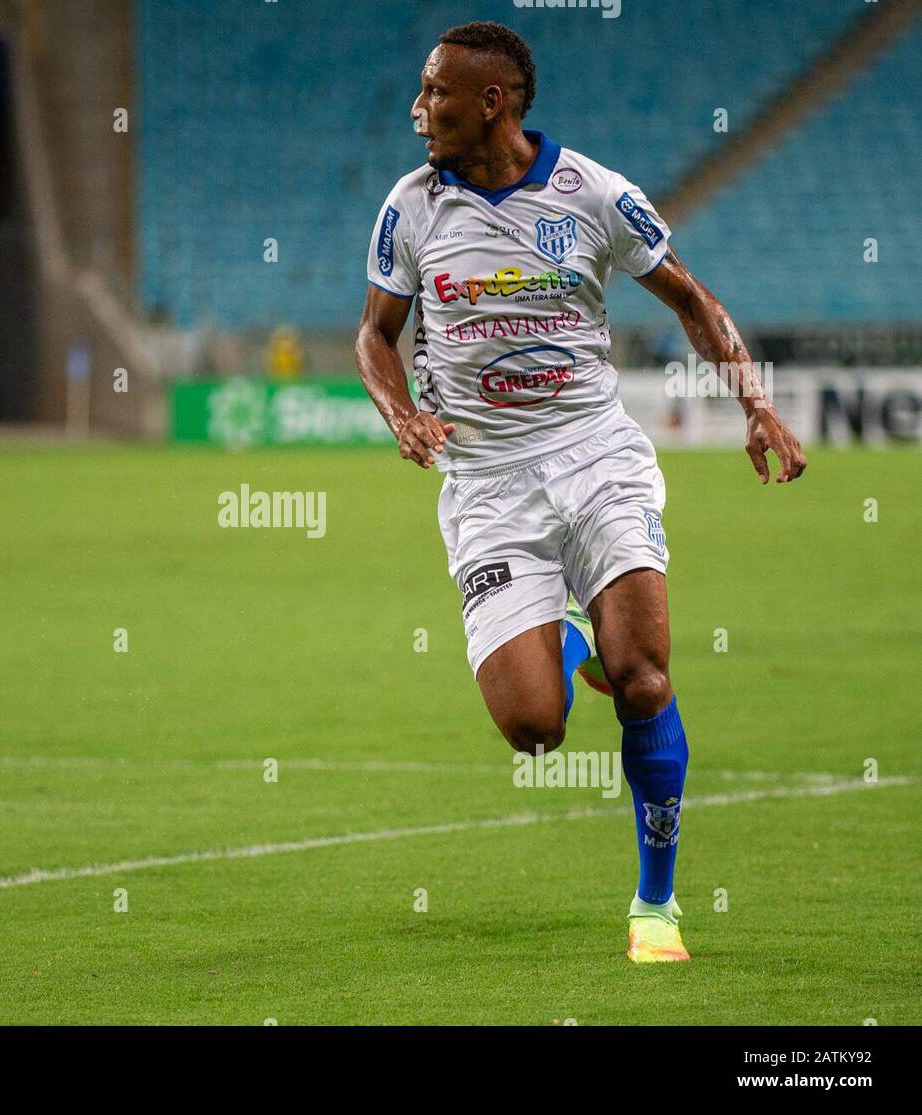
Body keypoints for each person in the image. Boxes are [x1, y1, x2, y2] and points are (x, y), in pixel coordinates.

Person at [354, 22, 806, 963]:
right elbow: (373, 334)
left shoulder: (593, 193)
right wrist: (400, 412)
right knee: (533, 731)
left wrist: (756, 405)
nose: (418, 106)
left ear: (494, 102)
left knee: (643, 674)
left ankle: (656, 904)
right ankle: (565, 639)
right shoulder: (411, 207)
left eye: (436, 90)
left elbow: (690, 297)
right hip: (485, 481)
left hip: (596, 455)